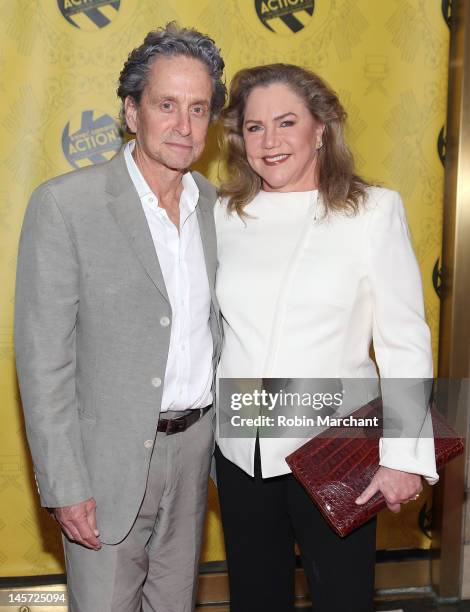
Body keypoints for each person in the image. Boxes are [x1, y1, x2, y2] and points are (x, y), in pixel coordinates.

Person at [14, 23, 226, 612]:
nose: (184, 126)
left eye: (199, 108)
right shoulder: (65, 205)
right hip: (104, 465)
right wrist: (65, 484)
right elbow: (43, 361)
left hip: (193, 456)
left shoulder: (217, 207)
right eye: (166, 105)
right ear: (132, 112)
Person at [213, 63, 438, 612]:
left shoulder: (371, 211)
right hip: (242, 446)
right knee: (254, 599)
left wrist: (404, 456)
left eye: (286, 122)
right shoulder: (221, 213)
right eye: (254, 127)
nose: (270, 141)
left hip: (337, 445)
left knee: (342, 599)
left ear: (320, 129)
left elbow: (403, 339)